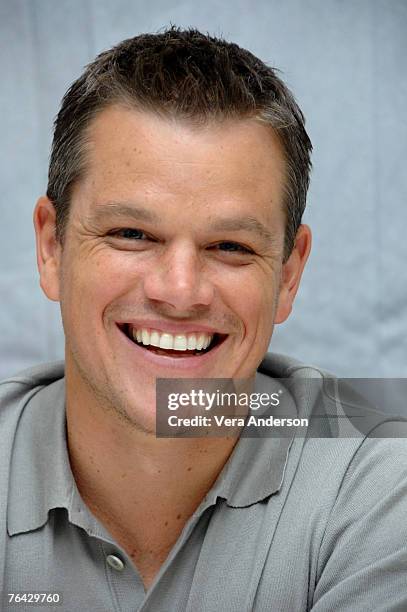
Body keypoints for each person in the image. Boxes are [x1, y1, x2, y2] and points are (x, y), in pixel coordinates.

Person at [1, 27, 406, 612]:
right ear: (51, 248)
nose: (180, 291)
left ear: (289, 274)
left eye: (231, 246)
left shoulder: (379, 491)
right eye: (132, 234)